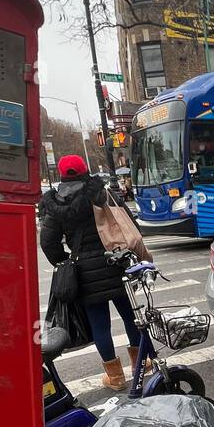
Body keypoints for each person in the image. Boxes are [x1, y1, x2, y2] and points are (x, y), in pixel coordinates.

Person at [38, 154, 142, 389]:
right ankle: (141, 365)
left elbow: (48, 242)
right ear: (85, 170)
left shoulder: (55, 205)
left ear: (62, 174)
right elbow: (127, 220)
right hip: (115, 263)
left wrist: (65, 260)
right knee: (130, 316)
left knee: (100, 325)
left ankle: (115, 378)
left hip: (84, 274)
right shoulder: (100, 193)